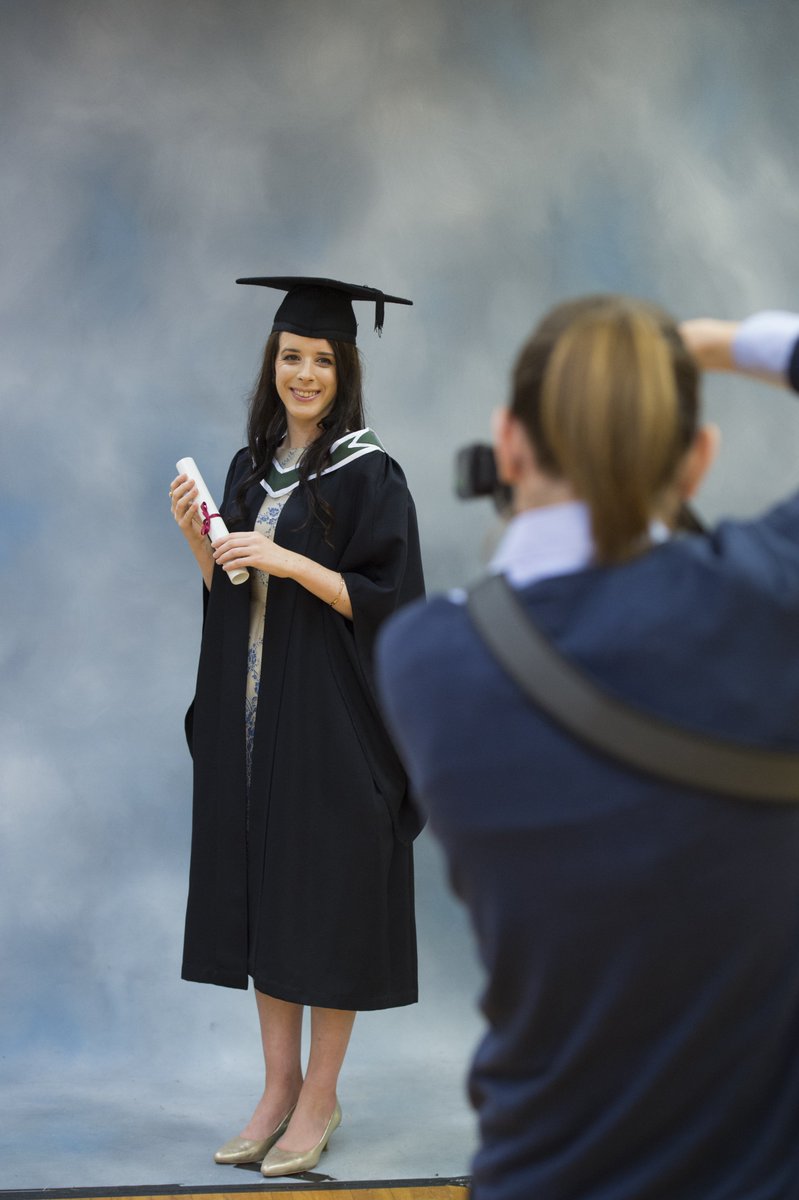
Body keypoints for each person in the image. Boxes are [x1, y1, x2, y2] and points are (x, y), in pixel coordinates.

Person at [375, 298, 799, 1200]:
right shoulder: (770, 604)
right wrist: (722, 345)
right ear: (697, 460)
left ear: (507, 444)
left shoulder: (425, 662)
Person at [170, 276, 424, 1178]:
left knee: (325, 906)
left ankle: (319, 1096)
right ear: (271, 364)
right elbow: (233, 595)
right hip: (252, 716)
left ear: (344, 369)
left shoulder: (369, 474)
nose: (304, 374)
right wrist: (202, 539)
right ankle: (276, 1090)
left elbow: (391, 603)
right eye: (290, 357)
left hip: (330, 726)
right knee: (269, 902)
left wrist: (287, 559)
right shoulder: (250, 467)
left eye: (321, 359)